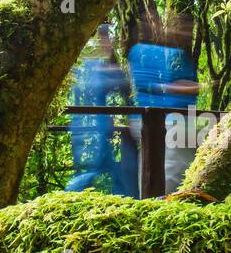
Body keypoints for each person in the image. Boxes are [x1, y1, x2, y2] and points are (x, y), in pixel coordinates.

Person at [127, 17, 200, 195]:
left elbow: (191, 88)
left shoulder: (179, 56)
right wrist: (177, 87)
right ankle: (162, 208)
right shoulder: (141, 53)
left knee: (171, 168)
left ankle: (160, 205)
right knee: (169, 172)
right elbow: (148, 86)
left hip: (178, 121)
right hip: (164, 121)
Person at [66, 24, 135, 196]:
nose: (107, 44)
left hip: (102, 129)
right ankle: (71, 197)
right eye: (105, 40)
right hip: (90, 130)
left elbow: (121, 87)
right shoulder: (88, 65)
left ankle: (126, 199)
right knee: (91, 170)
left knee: (112, 170)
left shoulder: (99, 67)